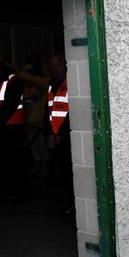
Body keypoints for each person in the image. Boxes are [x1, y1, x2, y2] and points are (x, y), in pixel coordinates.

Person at [0, 52, 31, 201]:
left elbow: (9, 106)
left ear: (1, 63)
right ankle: (5, 190)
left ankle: (20, 194)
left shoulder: (13, 81)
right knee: (0, 162)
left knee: (15, 162)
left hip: (12, 130)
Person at [45, 53, 74, 213]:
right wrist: (49, 133)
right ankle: (70, 204)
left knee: (71, 173)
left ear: (65, 65)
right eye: (52, 67)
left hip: (68, 136)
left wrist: (60, 134)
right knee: (64, 173)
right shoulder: (51, 84)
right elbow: (47, 111)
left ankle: (74, 205)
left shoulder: (71, 83)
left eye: (58, 66)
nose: (55, 70)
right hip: (55, 137)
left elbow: (73, 113)